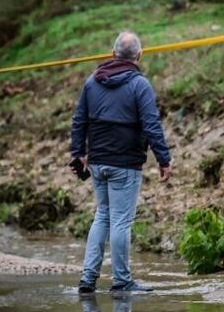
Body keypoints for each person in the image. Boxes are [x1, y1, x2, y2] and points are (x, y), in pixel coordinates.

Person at [70, 31, 172, 294]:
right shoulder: (140, 85)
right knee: (120, 222)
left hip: (97, 161)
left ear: (113, 53)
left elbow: (79, 120)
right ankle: (122, 281)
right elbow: (152, 125)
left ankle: (87, 279)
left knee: (102, 216)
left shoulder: (92, 82)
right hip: (125, 164)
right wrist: (164, 159)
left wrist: (78, 153)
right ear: (139, 54)